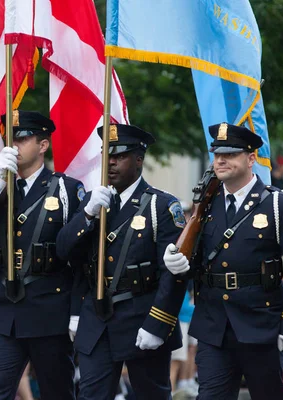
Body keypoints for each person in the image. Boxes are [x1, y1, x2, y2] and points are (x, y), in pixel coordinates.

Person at [163, 122, 283, 399]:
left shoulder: (278, 205)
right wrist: (178, 261)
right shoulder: (206, 205)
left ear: (251, 158)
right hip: (214, 326)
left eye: (230, 154)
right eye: (217, 154)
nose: (220, 160)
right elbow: (199, 262)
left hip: (262, 324)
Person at [56, 123, 187, 399]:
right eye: (107, 156)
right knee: (91, 394)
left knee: (151, 395)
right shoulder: (94, 202)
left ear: (138, 160)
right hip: (97, 318)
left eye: (120, 156)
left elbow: (172, 275)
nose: (111, 163)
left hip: (142, 316)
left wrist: (158, 324)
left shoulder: (161, 206)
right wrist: (87, 216)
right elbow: (66, 251)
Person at [0, 110, 84, 399]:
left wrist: (75, 311)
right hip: (4, 310)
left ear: (43, 145)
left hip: (49, 308)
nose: (13, 146)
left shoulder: (66, 189)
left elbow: (79, 256)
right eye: (8, 140)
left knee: (56, 391)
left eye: (22, 139)